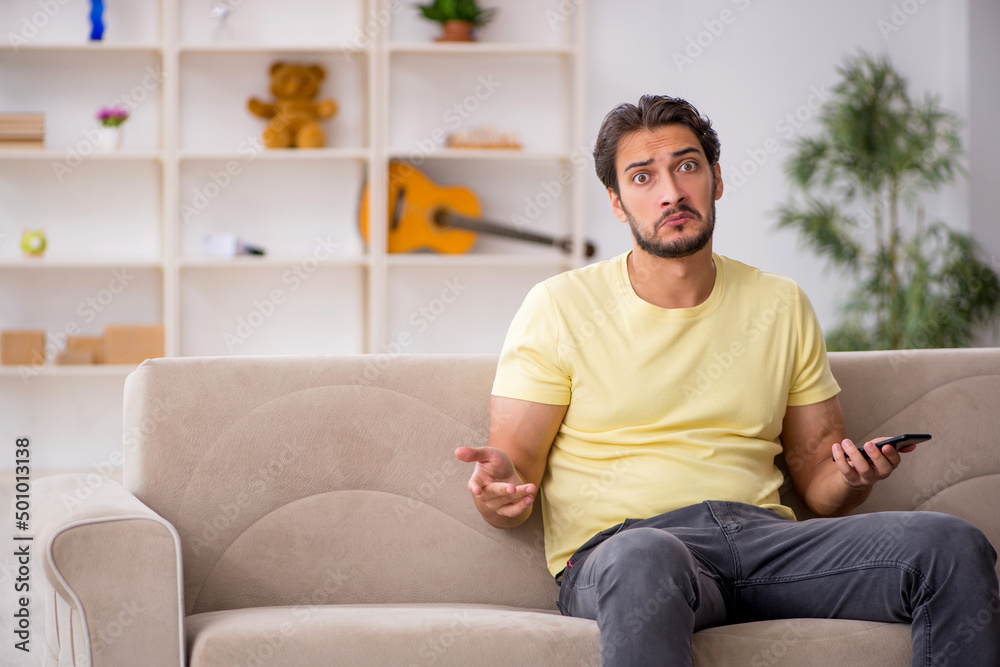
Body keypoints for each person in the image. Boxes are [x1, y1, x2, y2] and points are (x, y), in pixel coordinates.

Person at [455, 94, 1000, 666]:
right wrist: (499, 493)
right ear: (617, 203)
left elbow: (818, 484)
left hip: (765, 544)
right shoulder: (558, 306)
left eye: (686, 166)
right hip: (628, 550)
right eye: (642, 177)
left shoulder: (780, 302)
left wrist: (852, 476)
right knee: (645, 556)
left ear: (716, 178)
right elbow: (513, 483)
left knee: (950, 544)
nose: (670, 192)